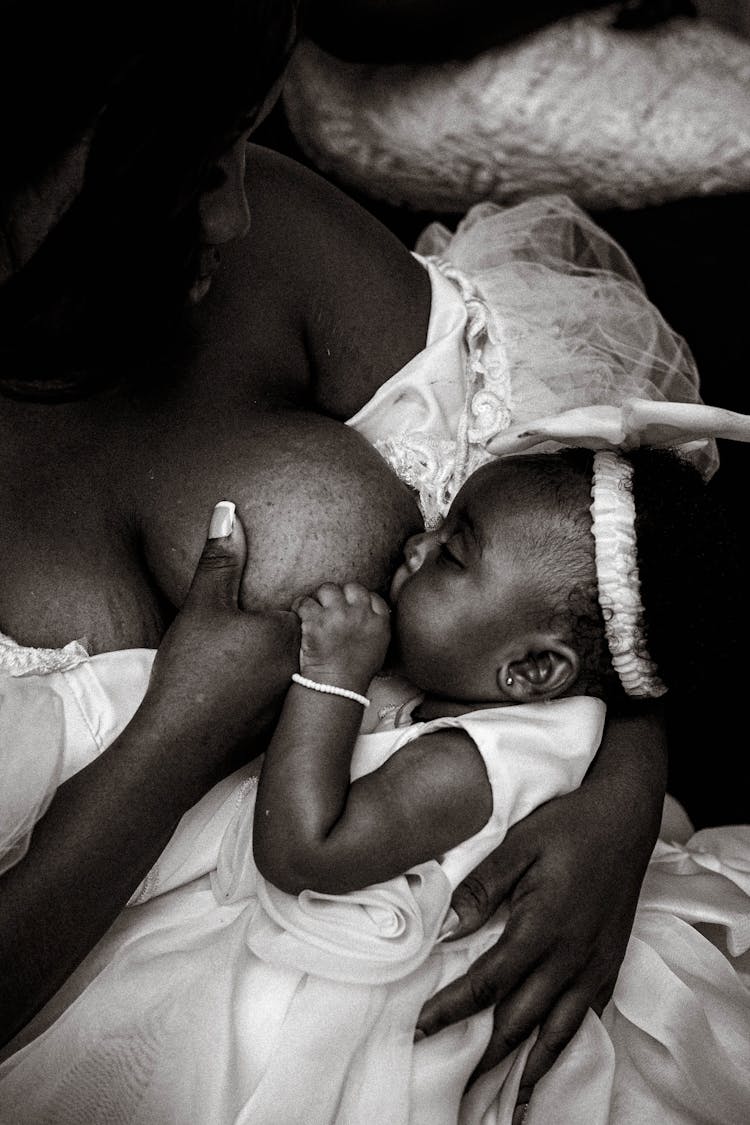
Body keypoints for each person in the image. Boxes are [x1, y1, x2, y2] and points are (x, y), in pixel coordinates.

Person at [0, 0, 729, 1106]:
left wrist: (619, 785)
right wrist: (180, 729)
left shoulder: (277, 253)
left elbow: (590, 556)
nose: (238, 209)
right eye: (188, 169)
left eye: (240, 139)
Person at [2, 439, 748, 1123]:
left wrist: (333, 679)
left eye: (453, 552)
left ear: (530, 671)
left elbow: (304, 851)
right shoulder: (471, 693)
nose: (416, 543)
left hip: (322, 994)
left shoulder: (474, 762)